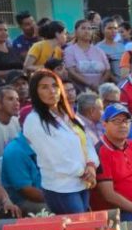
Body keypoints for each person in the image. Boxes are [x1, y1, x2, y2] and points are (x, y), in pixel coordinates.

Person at [21, 70, 98, 213]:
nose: (51, 91)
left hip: (83, 184)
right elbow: (54, 157)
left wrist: (92, 165)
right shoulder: (34, 121)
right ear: (35, 92)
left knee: (86, 229)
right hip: (61, 187)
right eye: (44, 87)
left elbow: (86, 143)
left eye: (55, 86)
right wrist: (84, 172)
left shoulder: (69, 116)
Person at [0, 132, 46, 215]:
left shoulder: (42, 143)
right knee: (59, 209)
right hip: (24, 201)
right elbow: (27, 191)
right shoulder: (14, 151)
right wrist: (55, 198)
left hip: (46, 192)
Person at [64, 19, 113, 93]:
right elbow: (71, 71)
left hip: (99, 90)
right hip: (79, 92)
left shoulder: (99, 51)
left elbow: (108, 70)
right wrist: (90, 85)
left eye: (89, 29)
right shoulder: (69, 50)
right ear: (76, 32)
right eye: (83, 28)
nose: (87, 31)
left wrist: (99, 85)